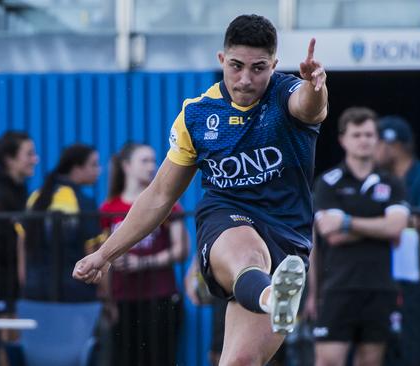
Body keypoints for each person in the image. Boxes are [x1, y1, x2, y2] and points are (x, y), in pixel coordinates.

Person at [73, 14, 328, 365]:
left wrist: (316, 87)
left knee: (238, 363)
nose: (245, 79)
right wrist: (105, 255)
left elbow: (310, 106)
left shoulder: (287, 94)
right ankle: (272, 297)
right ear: (222, 59)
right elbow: (160, 194)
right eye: (236, 65)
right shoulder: (198, 114)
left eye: (258, 68)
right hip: (227, 218)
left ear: (274, 65)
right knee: (249, 255)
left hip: (287, 235)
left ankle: (271, 293)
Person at [305, 107, 409, 366]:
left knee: (371, 361)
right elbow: (330, 233)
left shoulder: (392, 182)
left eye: (369, 134)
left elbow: (396, 228)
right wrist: (378, 228)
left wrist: (348, 221)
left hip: (379, 288)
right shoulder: (329, 182)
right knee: (328, 360)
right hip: (338, 287)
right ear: (343, 140)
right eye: (357, 134)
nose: (364, 140)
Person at [100, 142, 189, 365]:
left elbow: (181, 250)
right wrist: (107, 300)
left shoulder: (168, 204)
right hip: (123, 300)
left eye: (153, 160)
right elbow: (100, 256)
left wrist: (143, 262)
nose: (152, 166)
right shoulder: (108, 208)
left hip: (160, 297)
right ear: (126, 166)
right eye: (145, 160)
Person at [375, 116, 420, 366]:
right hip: (380, 274)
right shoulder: (377, 180)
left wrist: (383, 224)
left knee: (414, 348)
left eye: (376, 142)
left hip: (418, 277)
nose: (371, 149)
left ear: (393, 145)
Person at [0, 131, 38, 366]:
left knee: (17, 341)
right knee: (7, 341)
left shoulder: (19, 191)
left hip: (20, 283)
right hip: (3, 285)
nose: (35, 159)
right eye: (29, 154)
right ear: (10, 160)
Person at [24, 143, 103, 302]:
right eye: (94, 164)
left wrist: (25, 283)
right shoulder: (84, 202)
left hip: (36, 289)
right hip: (75, 291)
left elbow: (22, 245)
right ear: (76, 169)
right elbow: (94, 251)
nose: (99, 170)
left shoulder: (36, 197)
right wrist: (105, 294)